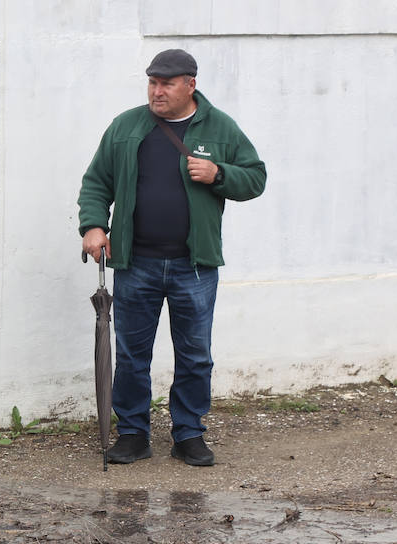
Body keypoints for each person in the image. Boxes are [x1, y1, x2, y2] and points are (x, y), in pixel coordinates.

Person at [77, 48, 266, 466]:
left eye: (166, 84)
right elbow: (96, 183)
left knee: (196, 353)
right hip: (136, 263)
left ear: (190, 85)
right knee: (130, 354)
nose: (157, 91)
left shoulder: (220, 128)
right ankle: (132, 433)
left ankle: (188, 433)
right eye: (152, 83)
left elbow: (255, 177)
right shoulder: (127, 127)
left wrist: (219, 175)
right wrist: (93, 226)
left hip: (194, 266)